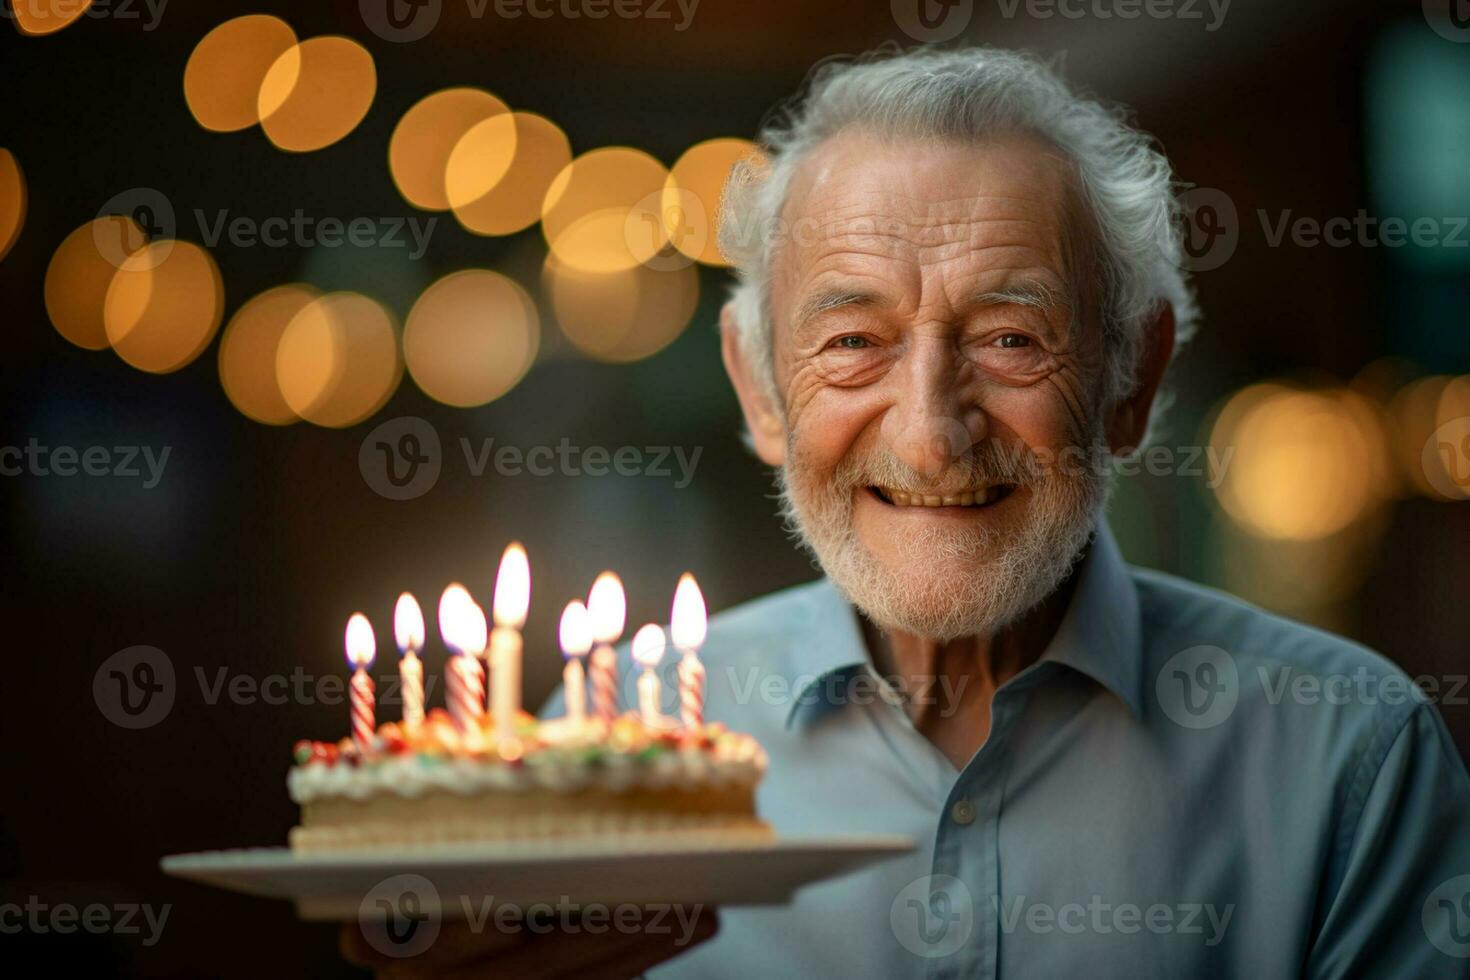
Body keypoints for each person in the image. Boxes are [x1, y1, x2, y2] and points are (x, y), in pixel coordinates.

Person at [342, 45, 1470, 978]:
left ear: (1130, 378)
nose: (931, 432)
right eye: (851, 342)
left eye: (1012, 338)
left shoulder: (1351, 763)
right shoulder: (597, 744)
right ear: (759, 388)